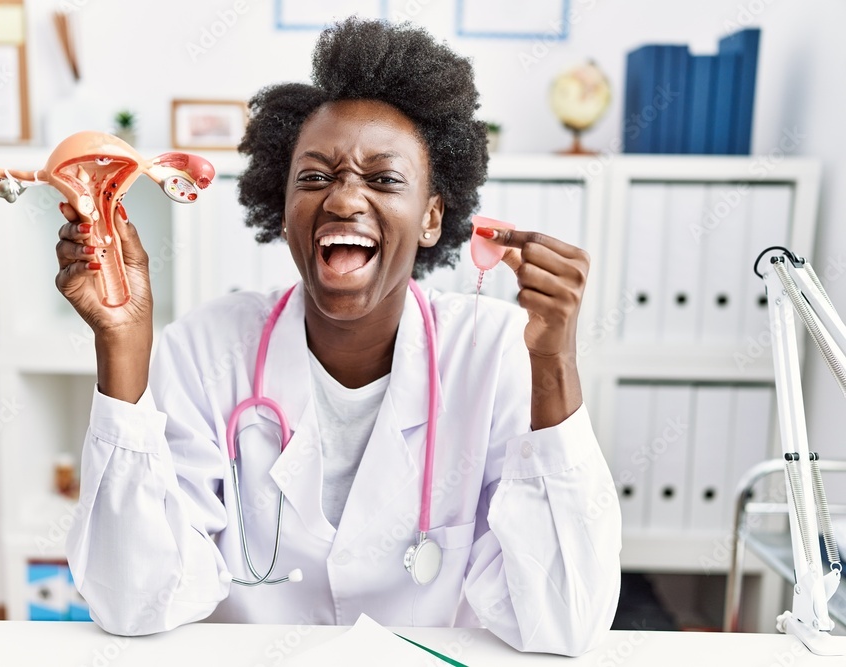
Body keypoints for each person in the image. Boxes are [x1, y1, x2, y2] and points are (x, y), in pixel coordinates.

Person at [59, 18, 621, 657]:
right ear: (284, 206)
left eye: (383, 179)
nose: (344, 199)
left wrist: (554, 364)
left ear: (433, 217)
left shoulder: (496, 352)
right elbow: (133, 601)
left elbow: (564, 622)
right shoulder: (205, 349)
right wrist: (123, 347)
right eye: (315, 177)